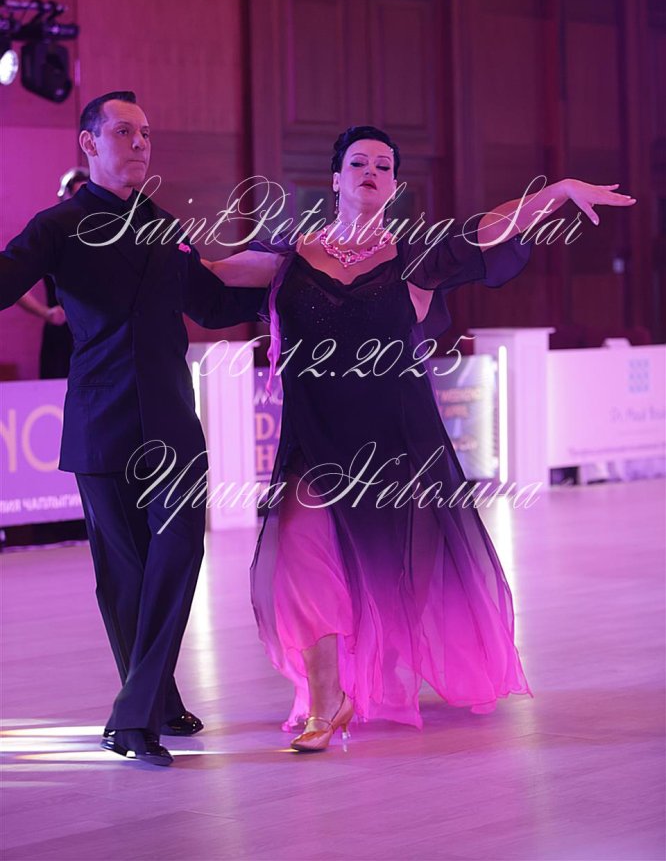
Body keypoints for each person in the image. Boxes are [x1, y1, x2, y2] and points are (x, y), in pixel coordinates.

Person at [207, 125, 635, 752]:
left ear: (395, 185)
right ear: (335, 178)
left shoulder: (413, 257)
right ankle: (326, 703)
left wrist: (557, 191)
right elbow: (213, 273)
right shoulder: (290, 256)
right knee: (298, 557)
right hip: (314, 439)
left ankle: (367, 680)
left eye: (383, 165)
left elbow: (489, 229)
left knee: (389, 577)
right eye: (359, 162)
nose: (371, 172)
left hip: (396, 443)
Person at [0, 91, 266, 766]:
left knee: (178, 554)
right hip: (103, 422)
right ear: (89, 143)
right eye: (124, 131)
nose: (141, 142)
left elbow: (211, 304)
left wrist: (293, 278)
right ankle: (154, 705)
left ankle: (134, 713)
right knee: (124, 575)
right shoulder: (58, 225)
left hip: (172, 420)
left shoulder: (166, 227)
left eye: (146, 132)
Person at [16, 168, 89, 378]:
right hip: (61, 336)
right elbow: (15, 281)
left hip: (96, 335)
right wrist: (45, 313)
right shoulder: (50, 235)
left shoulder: (104, 237)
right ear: (63, 197)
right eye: (75, 195)